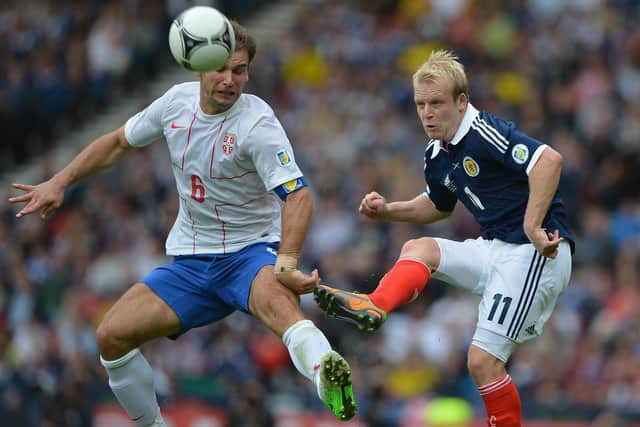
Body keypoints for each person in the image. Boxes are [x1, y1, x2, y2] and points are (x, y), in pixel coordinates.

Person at [8, 20, 357, 425]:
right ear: (199, 67)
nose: (229, 79)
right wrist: (60, 180)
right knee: (111, 336)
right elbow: (120, 141)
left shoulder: (258, 125)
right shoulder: (175, 103)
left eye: (240, 71)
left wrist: (287, 261)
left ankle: (326, 374)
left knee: (281, 310)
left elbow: (298, 195)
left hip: (249, 255)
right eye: (221, 68)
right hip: (191, 263)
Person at [314, 50, 573, 427]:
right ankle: (374, 305)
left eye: (436, 103)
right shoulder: (436, 152)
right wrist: (389, 210)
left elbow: (549, 161)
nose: (427, 113)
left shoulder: (484, 131)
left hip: (535, 253)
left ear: (461, 101)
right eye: (421, 104)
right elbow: (439, 205)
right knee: (418, 248)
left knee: (482, 362)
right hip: (497, 247)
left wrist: (534, 226)